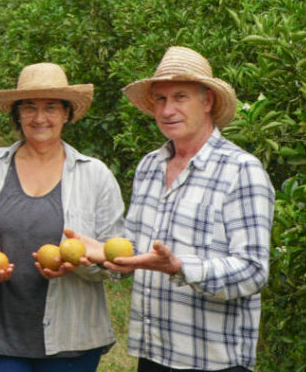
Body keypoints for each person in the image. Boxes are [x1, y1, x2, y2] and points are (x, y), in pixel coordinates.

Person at [70, 46, 275, 372]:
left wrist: (180, 267)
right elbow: (137, 251)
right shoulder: (149, 167)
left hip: (212, 359)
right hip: (153, 352)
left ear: (207, 101)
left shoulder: (241, 171)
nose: (167, 110)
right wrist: (107, 256)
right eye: (160, 100)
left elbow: (252, 271)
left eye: (180, 97)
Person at [0, 62, 126, 372]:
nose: (40, 118)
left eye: (51, 107)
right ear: (17, 114)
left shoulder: (94, 175)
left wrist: (83, 263)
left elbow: (117, 261)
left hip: (72, 340)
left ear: (67, 113)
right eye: (29, 107)